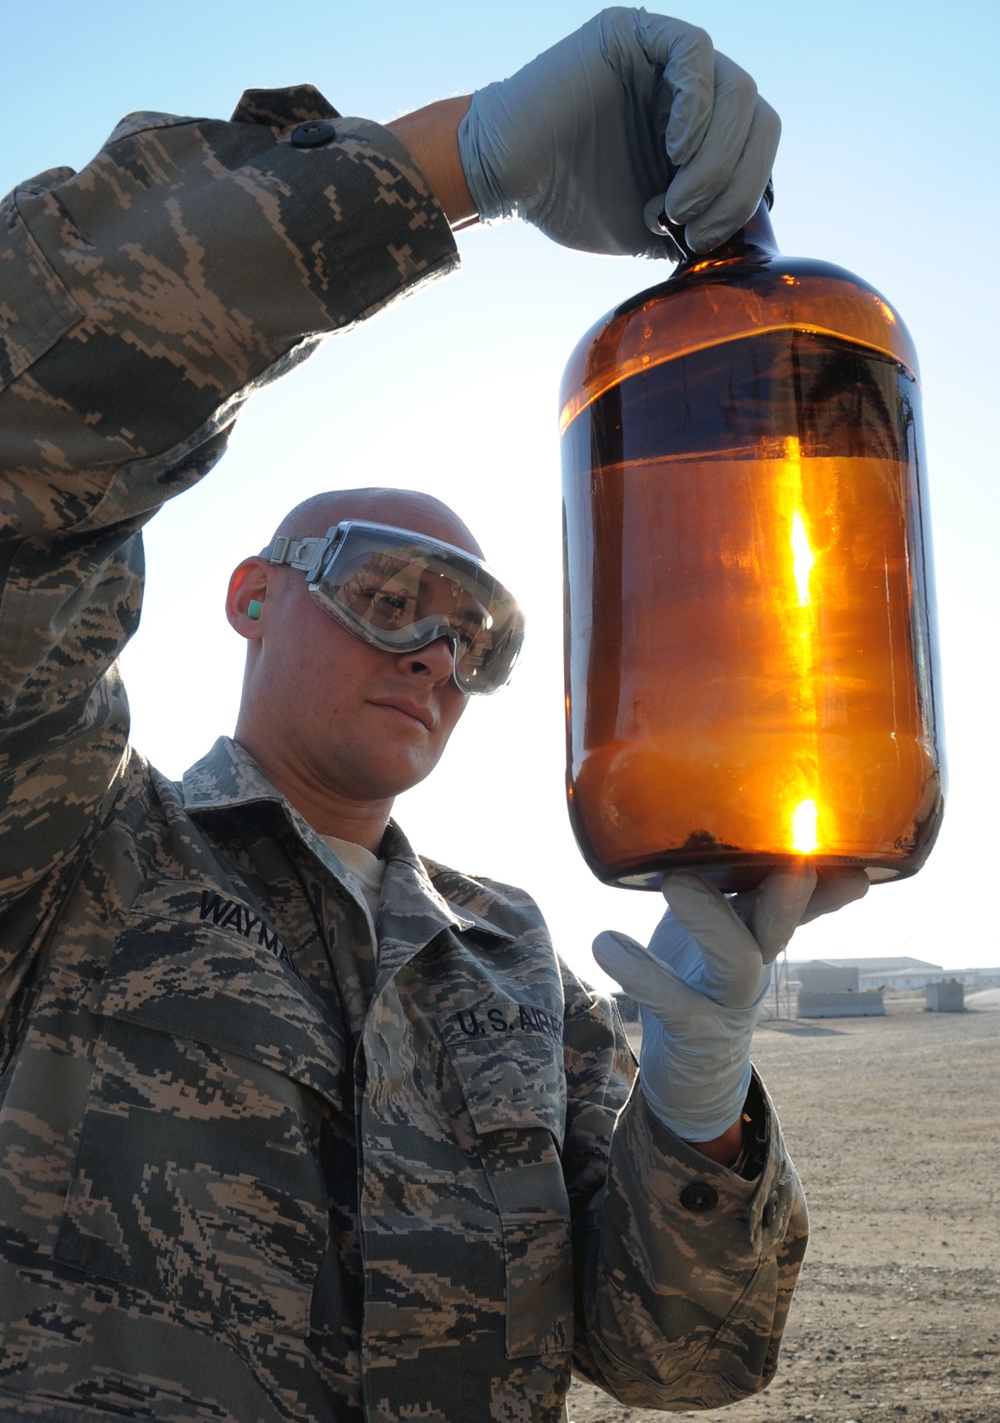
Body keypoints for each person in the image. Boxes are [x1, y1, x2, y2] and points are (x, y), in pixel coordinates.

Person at [0, 11, 867, 1422]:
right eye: (387, 593)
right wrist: (444, 165)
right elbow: (23, 416)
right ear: (252, 596)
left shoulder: (515, 959)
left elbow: (681, 1358)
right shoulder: (70, 855)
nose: (433, 654)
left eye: (476, 637)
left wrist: (698, 1101)